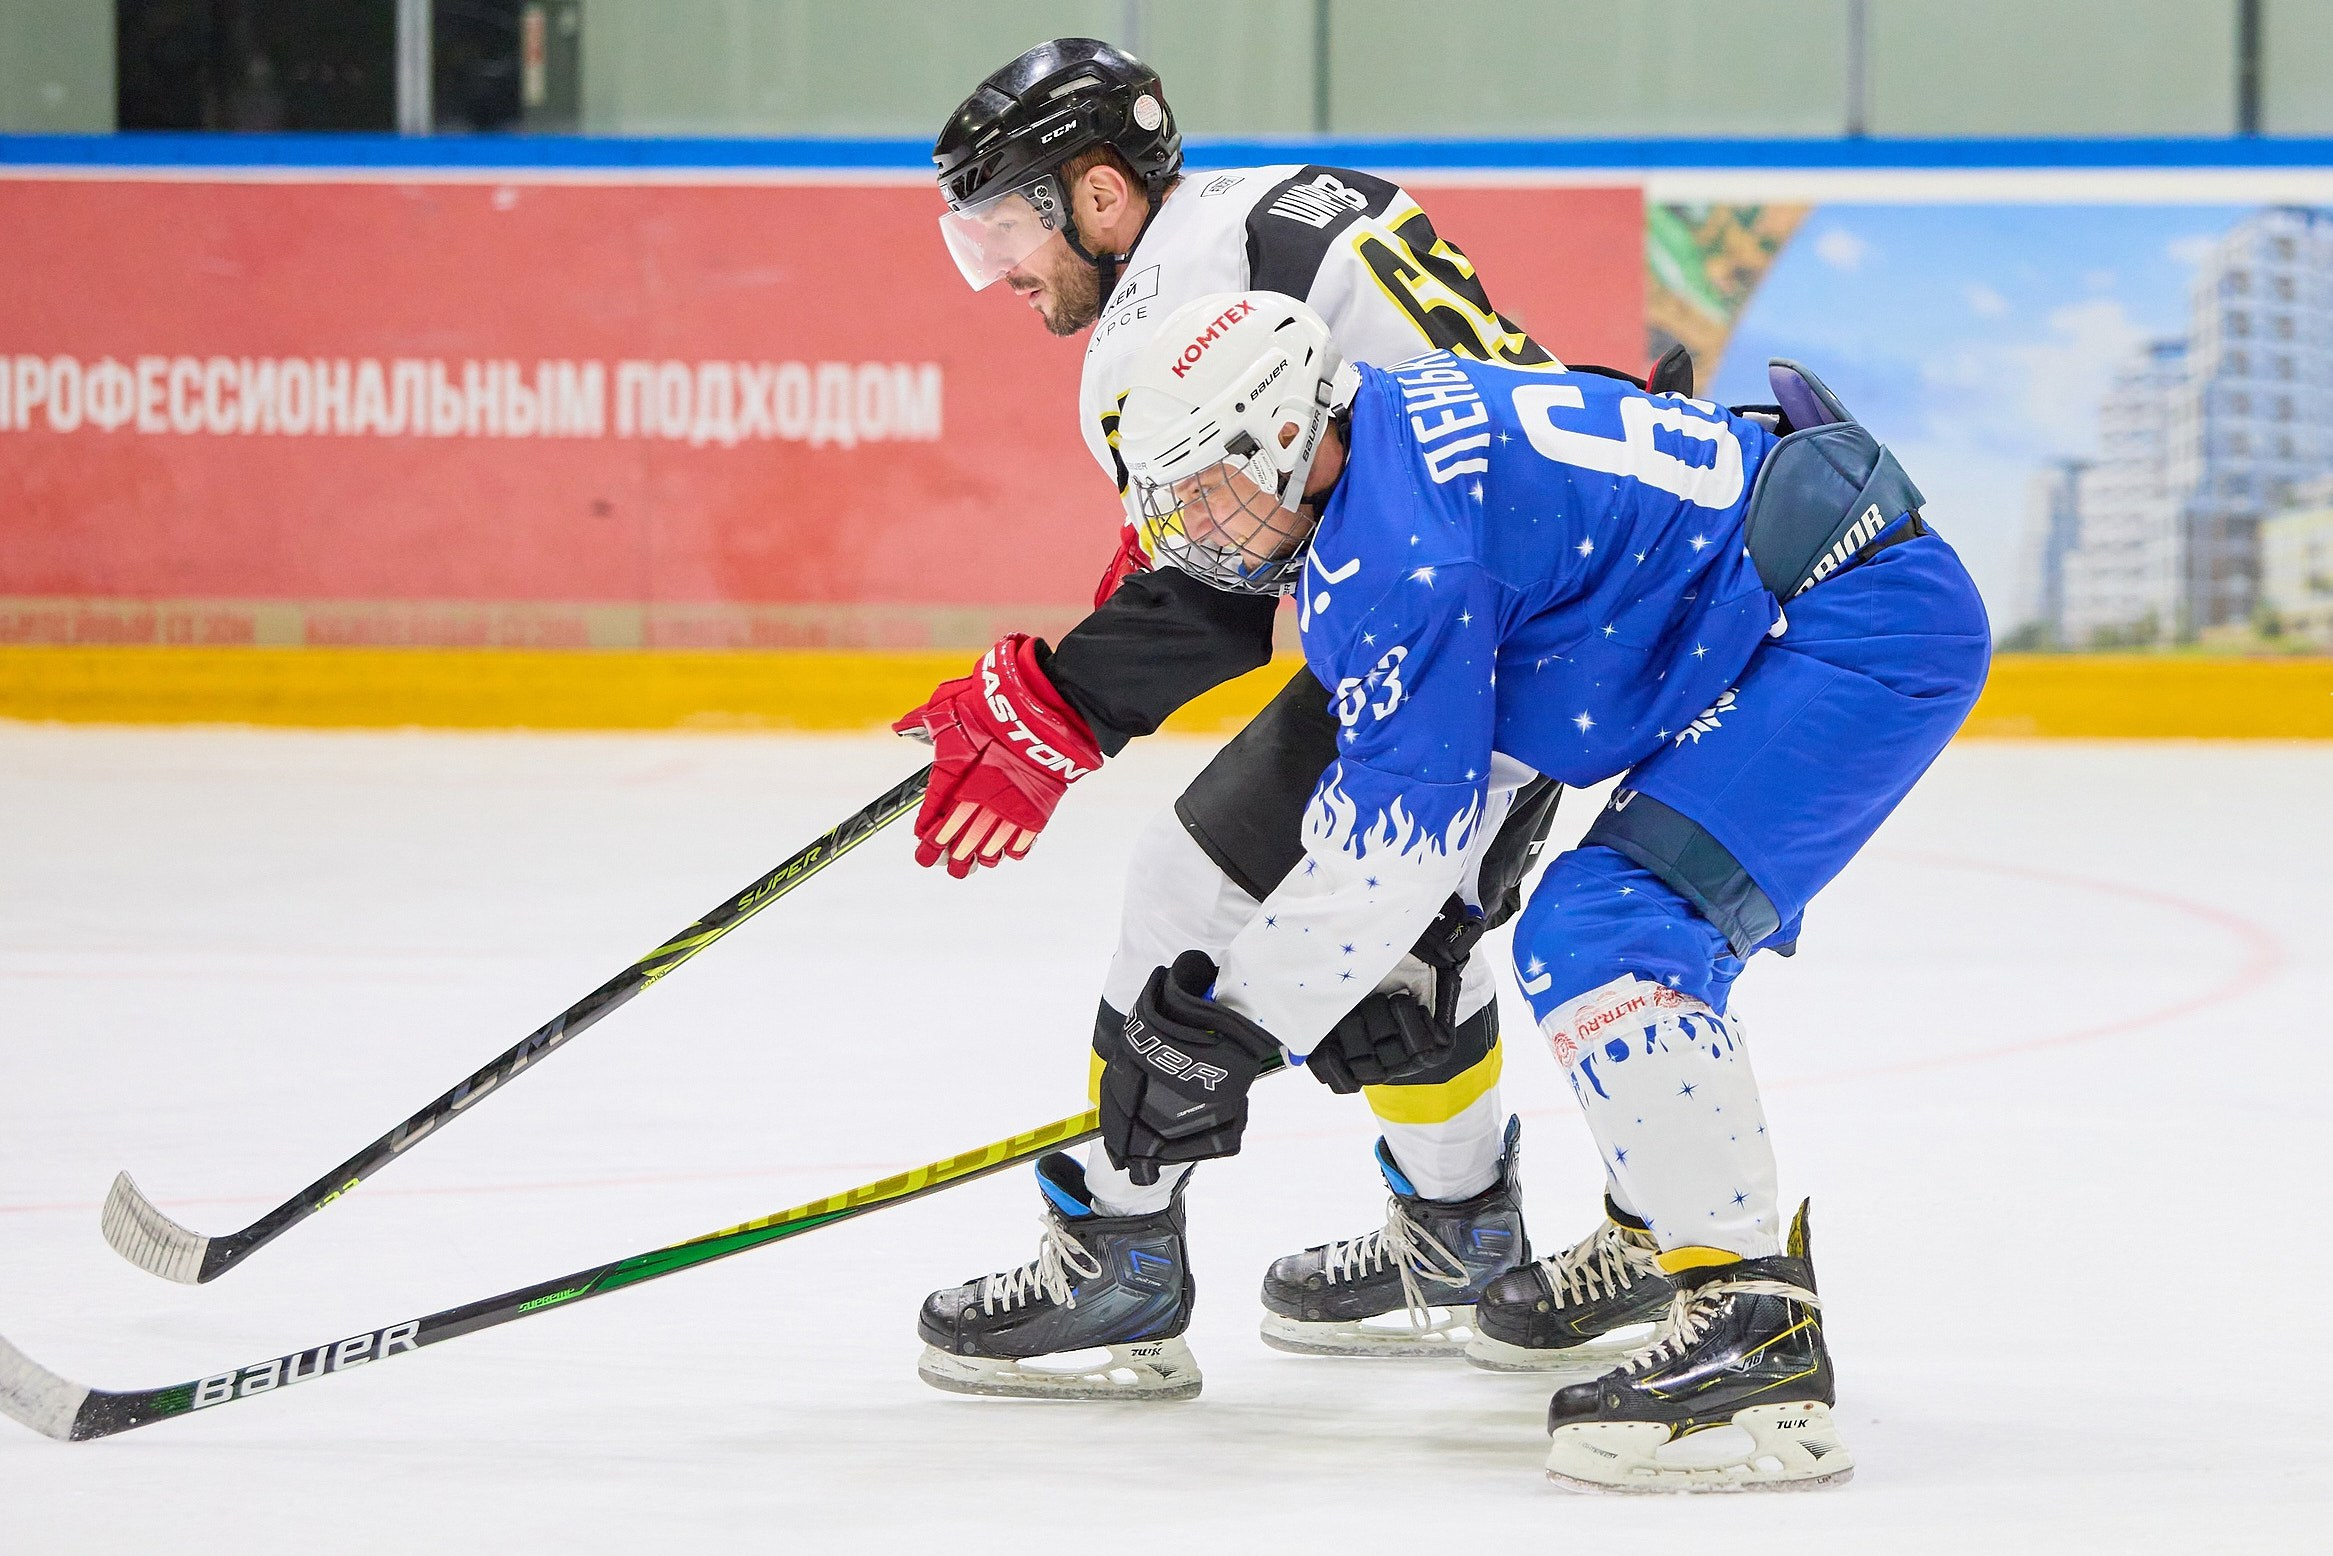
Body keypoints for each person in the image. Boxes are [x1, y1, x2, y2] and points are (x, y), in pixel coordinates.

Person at [1060, 290, 1987, 1489]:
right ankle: (1661, 1236)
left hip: (1853, 623)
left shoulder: (1397, 549)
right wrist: (1370, 962)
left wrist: (1230, 1031)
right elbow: (1457, 761)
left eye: (1206, 484)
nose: (1192, 524)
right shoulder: (1390, 446)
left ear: (1285, 434)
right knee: (1605, 919)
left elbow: (1398, 840)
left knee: (1611, 928)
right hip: (1784, 597)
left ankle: (1754, 1328)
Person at [906, 39, 1696, 1386]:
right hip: (1525, 614)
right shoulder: (1263, 211)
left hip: (1472, 630)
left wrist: (1060, 705)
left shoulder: (1177, 302)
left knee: (1201, 889)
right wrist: (1089, 667)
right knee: (1401, 954)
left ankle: (1118, 1254)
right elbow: (1250, 535)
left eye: (1006, 230)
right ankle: (1459, 1235)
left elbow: (1221, 596)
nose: (1002, 272)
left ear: (1098, 198)